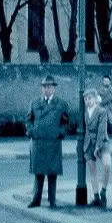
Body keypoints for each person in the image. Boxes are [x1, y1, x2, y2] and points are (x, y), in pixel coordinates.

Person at [25, 74, 70, 208]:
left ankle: (52, 200)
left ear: (54, 89)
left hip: (53, 142)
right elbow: (28, 119)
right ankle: (36, 199)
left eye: (49, 87)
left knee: (52, 174)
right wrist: (31, 131)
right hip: (38, 142)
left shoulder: (61, 104)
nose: (46, 89)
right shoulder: (34, 103)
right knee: (38, 173)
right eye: (44, 87)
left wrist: (60, 133)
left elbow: (66, 122)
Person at [83, 88, 112, 208]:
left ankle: (103, 191)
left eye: (89, 98)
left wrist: (98, 147)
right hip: (89, 142)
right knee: (92, 170)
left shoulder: (102, 111)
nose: (87, 101)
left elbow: (101, 130)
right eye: (85, 99)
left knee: (107, 165)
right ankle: (96, 197)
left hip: (102, 142)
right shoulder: (85, 112)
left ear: (95, 99)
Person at [99, 74, 112, 140]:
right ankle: (104, 137)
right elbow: (98, 97)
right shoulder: (101, 89)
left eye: (107, 81)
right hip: (103, 108)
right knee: (103, 123)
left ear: (110, 82)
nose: (106, 82)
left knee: (110, 122)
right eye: (104, 81)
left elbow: (110, 98)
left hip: (109, 109)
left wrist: (101, 102)